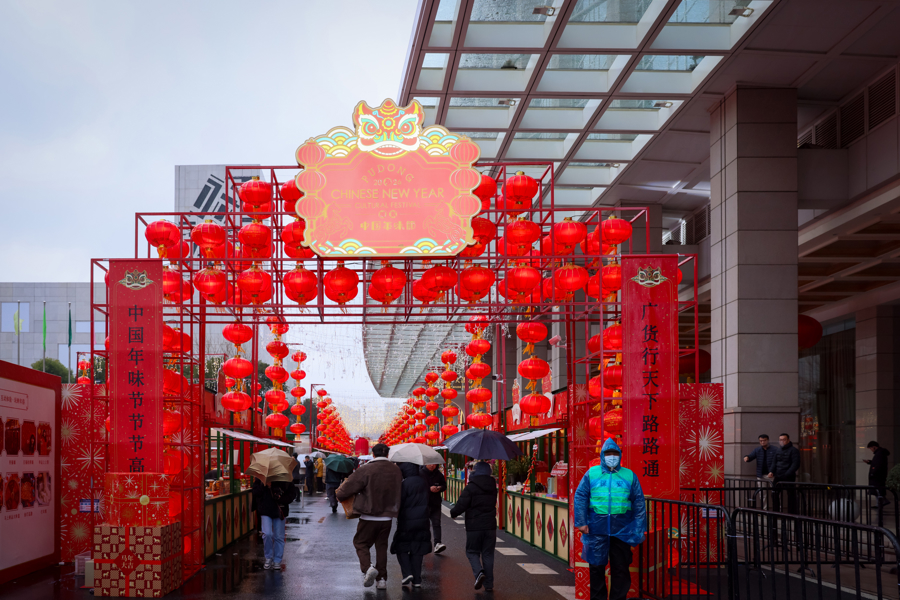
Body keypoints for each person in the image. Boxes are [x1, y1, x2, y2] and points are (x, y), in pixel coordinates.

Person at [574, 438, 646, 600]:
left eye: (614, 453)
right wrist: (581, 522)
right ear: (602, 455)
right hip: (596, 528)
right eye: (608, 453)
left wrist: (638, 527)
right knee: (596, 567)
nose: (611, 456)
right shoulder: (592, 473)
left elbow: (639, 502)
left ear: (620, 455)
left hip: (622, 529)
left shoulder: (629, 475)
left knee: (620, 568)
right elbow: (580, 496)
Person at [336, 443, 402, 589]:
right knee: (381, 547)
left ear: (373, 454)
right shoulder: (396, 470)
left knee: (360, 543)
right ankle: (382, 580)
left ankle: (368, 568)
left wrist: (340, 496)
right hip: (388, 516)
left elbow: (349, 486)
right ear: (387, 454)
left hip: (369, 515)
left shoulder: (366, 469)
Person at [450, 461, 497, 591]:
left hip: (474, 525)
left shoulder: (471, 487)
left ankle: (479, 572)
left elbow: (462, 504)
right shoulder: (493, 486)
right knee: (488, 554)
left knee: (472, 551)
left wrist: (453, 513)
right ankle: (489, 584)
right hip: (490, 525)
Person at [391, 463, 432, 588]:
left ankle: (407, 573)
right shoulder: (424, 481)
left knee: (401, 546)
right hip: (423, 520)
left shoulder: (405, 484)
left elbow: (400, 501)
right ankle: (417, 580)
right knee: (417, 549)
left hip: (407, 520)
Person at [251, 477, 297, 570]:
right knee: (267, 534)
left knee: (279, 536)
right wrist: (264, 485)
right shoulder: (261, 477)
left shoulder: (284, 477)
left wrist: (280, 498)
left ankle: (277, 560)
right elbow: (255, 492)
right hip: (265, 509)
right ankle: (268, 557)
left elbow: (291, 494)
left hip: (280, 510)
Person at [769, 433, 800, 514]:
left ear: (788, 440)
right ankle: (776, 513)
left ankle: (791, 514)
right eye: (780, 440)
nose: (782, 441)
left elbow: (795, 464)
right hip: (778, 476)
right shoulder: (778, 450)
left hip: (788, 476)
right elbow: (774, 462)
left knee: (791, 495)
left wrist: (787, 474)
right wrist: (771, 471)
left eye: (784, 439)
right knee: (774, 494)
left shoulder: (794, 450)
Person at [420, 463, 447, 554]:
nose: (432, 465)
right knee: (424, 524)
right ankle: (424, 543)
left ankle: (437, 543)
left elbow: (444, 485)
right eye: (430, 463)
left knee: (436, 524)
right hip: (424, 503)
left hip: (436, 503)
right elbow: (418, 487)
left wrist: (439, 488)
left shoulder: (439, 474)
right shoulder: (420, 473)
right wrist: (429, 488)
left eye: (434, 464)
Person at [744, 434, 776, 509]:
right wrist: (746, 457)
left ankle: (777, 510)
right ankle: (764, 510)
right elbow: (750, 456)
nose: (762, 442)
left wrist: (773, 471)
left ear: (768, 440)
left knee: (775, 493)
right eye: (761, 441)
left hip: (772, 475)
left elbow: (777, 462)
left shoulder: (774, 449)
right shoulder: (757, 450)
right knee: (762, 494)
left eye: (764, 440)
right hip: (761, 475)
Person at [864, 441, 891, 505]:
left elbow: (878, 465)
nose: (871, 450)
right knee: (878, 490)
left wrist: (873, 473)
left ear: (874, 447)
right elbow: (877, 463)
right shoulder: (880, 453)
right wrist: (870, 462)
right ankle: (880, 503)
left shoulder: (879, 454)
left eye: (871, 448)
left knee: (877, 490)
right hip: (879, 475)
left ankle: (880, 503)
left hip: (877, 476)